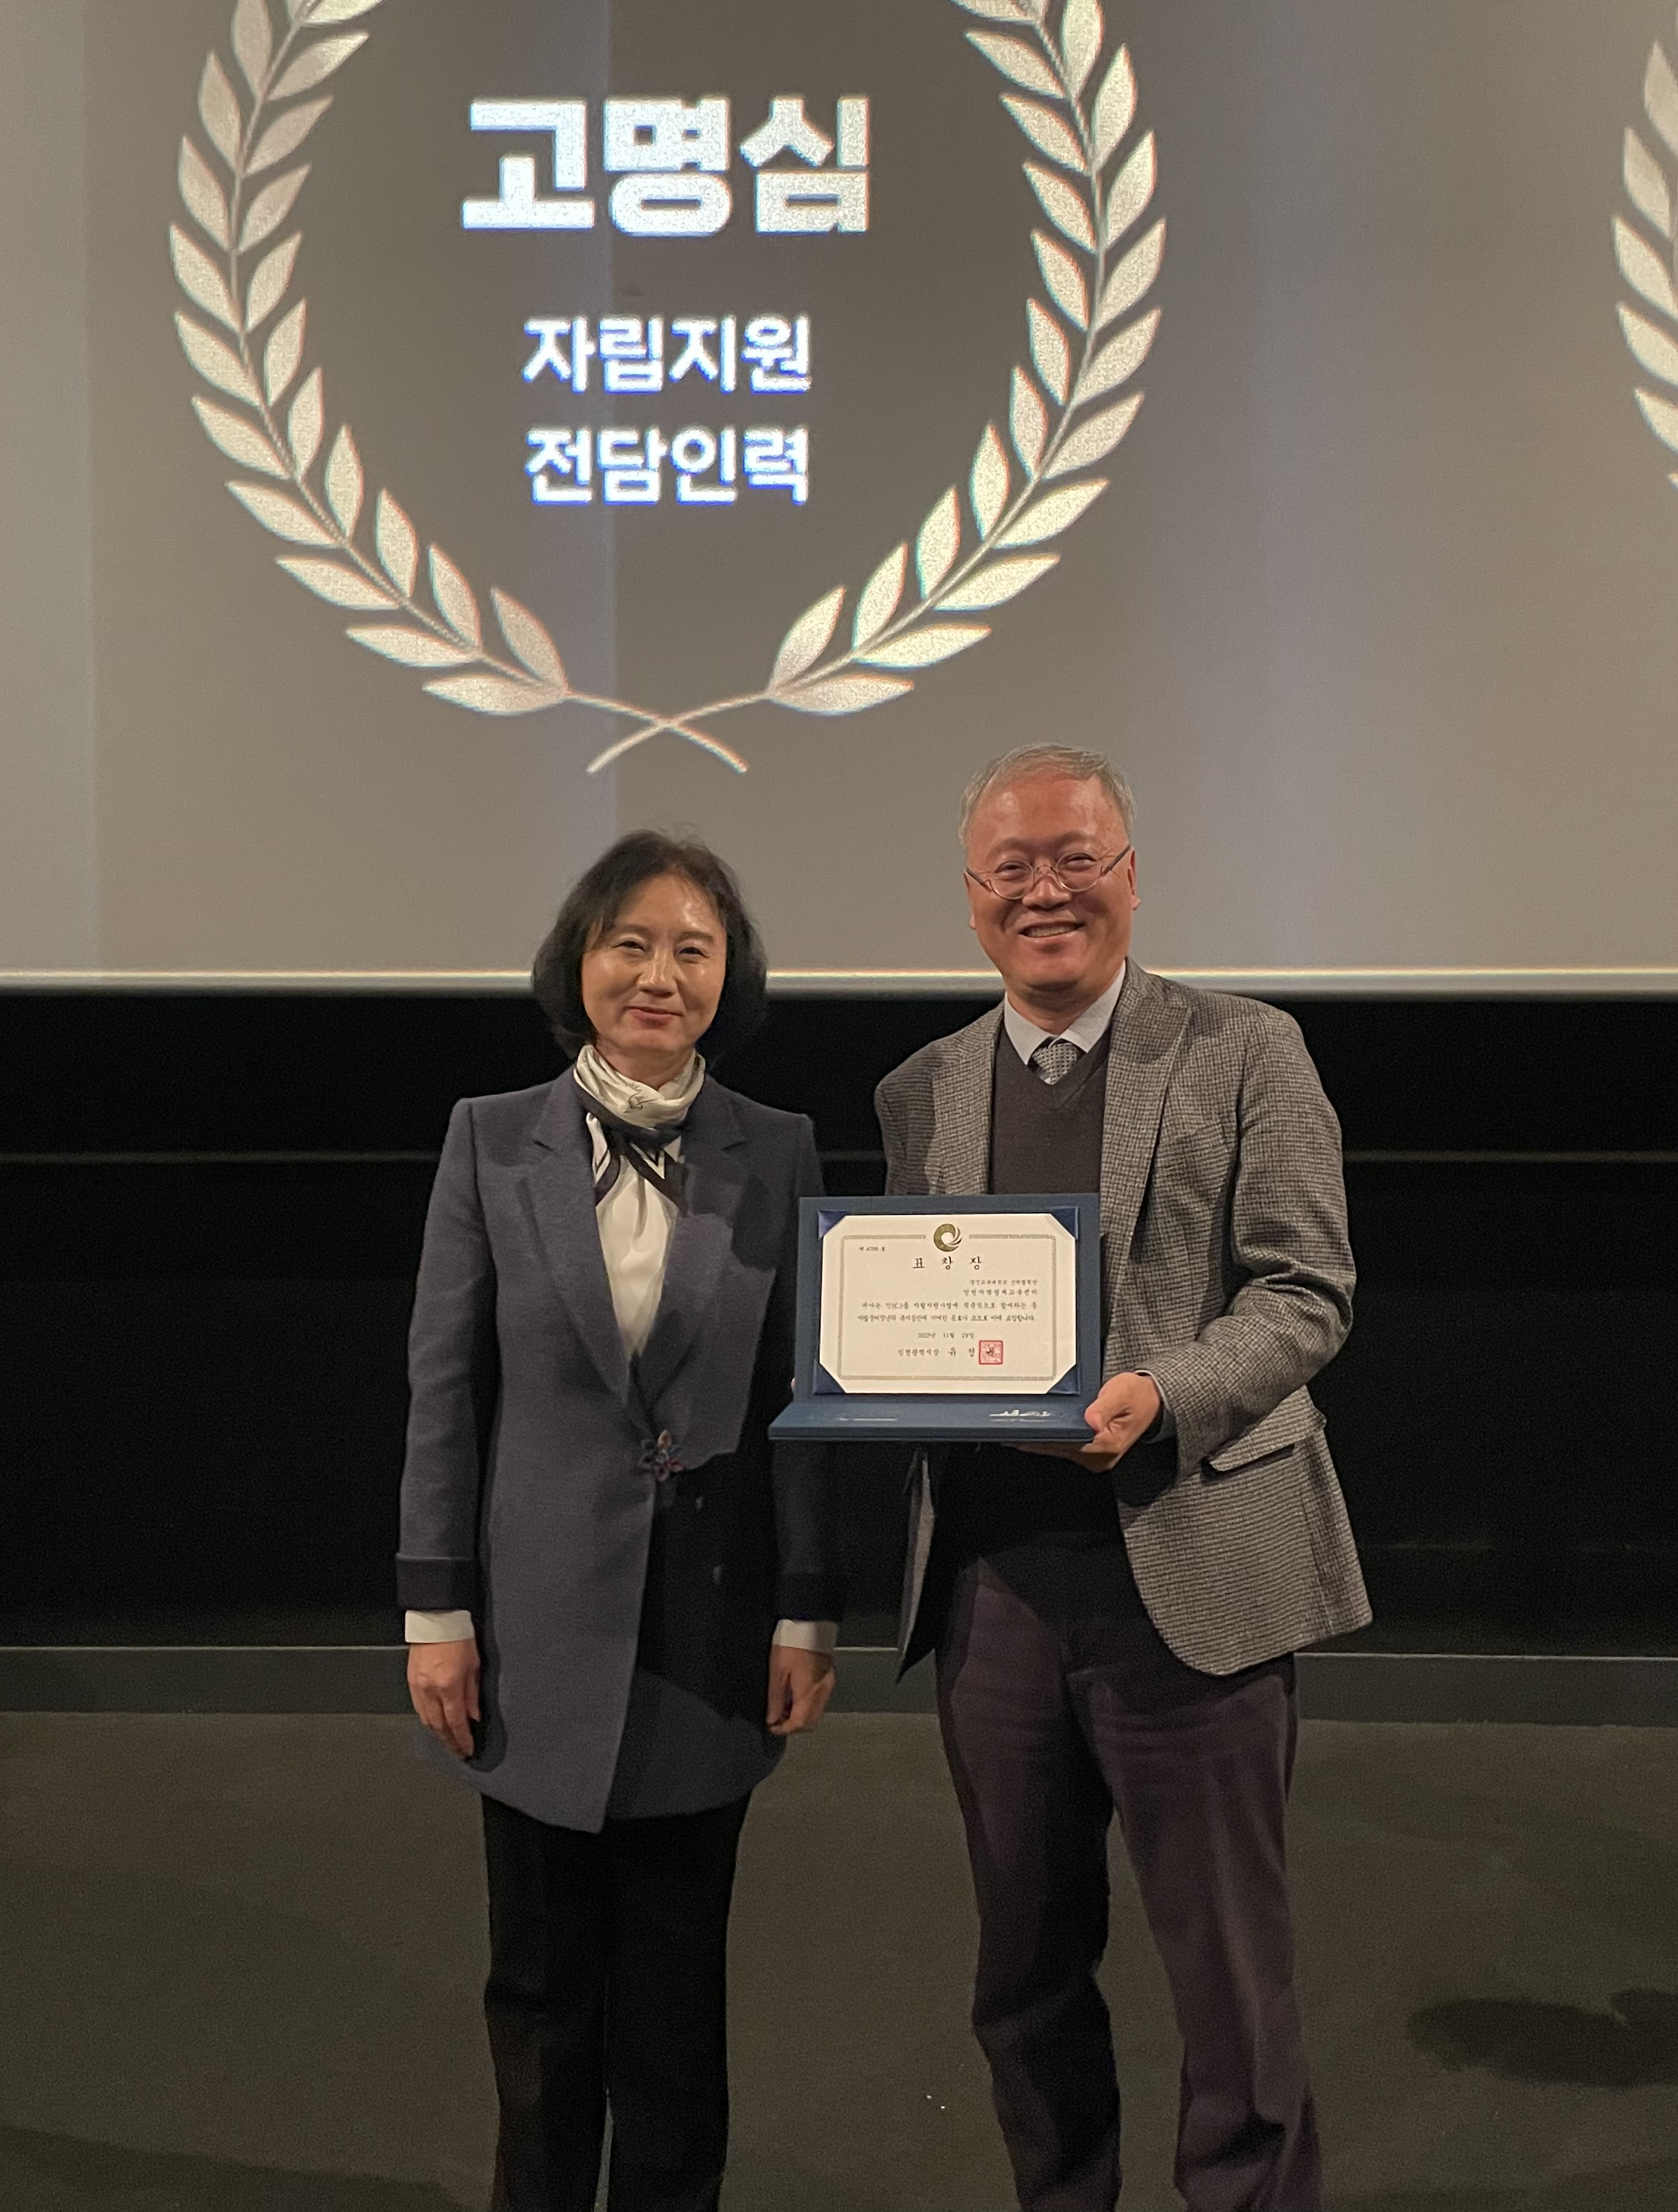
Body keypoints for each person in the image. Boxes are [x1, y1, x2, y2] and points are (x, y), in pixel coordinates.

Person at [876, 745, 1367, 2212]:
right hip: (997, 1600)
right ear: (972, 898)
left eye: (1076, 857)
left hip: (1194, 1581)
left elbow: (1307, 1292)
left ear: (1130, 875)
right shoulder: (923, 1090)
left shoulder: (1245, 1050)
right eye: (1011, 867)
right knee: (1021, 1976)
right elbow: (912, 1309)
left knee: (1232, 1988)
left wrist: (1165, 1398)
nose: (1045, 890)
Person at [399, 830, 843, 2212]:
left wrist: (808, 1601)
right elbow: (444, 1389)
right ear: (578, 963)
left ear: (730, 977)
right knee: (537, 1987)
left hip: (711, 1629)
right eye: (629, 943)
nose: (659, 974)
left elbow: (800, 1394)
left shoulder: (778, 1151)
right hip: (529, 1632)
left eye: (693, 949)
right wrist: (436, 1608)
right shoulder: (487, 1139)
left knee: (677, 1992)